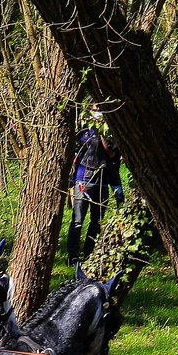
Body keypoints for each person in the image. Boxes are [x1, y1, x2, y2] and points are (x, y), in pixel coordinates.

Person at [65, 113, 121, 266]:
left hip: (103, 182)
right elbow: (80, 146)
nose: (98, 113)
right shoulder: (84, 130)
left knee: (97, 221)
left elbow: (111, 153)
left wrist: (102, 133)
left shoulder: (112, 131)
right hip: (83, 180)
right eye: (95, 109)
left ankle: (89, 253)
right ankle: (73, 256)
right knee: (78, 219)